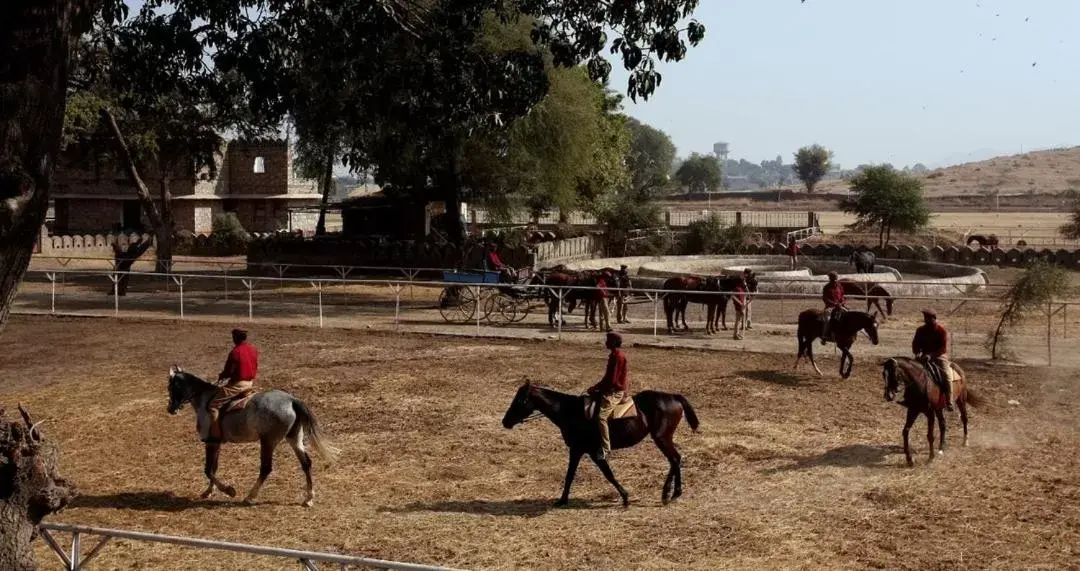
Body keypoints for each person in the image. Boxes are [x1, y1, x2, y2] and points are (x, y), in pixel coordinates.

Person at [207, 328, 259, 443]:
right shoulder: (253, 349)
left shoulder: (235, 352)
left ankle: (216, 436)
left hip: (238, 385)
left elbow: (229, 371)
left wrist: (222, 376)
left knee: (213, 406)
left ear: (235, 338)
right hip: (250, 383)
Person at [588, 332, 628, 460]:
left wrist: (597, 388)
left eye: (608, 340)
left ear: (614, 342)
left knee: (601, 417)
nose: (605, 342)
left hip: (614, 392)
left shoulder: (617, 357)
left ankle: (605, 448)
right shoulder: (615, 355)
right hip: (612, 388)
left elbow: (611, 380)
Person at [912, 309, 954, 411]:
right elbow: (915, 344)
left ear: (934, 318)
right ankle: (910, 397)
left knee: (946, 375)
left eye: (928, 318)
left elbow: (943, 348)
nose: (926, 320)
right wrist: (917, 353)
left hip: (939, 356)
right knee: (912, 371)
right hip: (923, 356)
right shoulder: (920, 330)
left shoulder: (941, 330)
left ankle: (949, 401)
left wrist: (931, 355)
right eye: (925, 318)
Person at [821, 271, 846, 345]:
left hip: (840, 306)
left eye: (835, 278)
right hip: (830, 307)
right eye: (833, 278)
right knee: (828, 319)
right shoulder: (826, 287)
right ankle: (824, 336)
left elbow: (842, 296)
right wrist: (834, 304)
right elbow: (825, 298)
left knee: (850, 315)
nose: (835, 280)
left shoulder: (839, 286)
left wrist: (842, 303)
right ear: (830, 279)